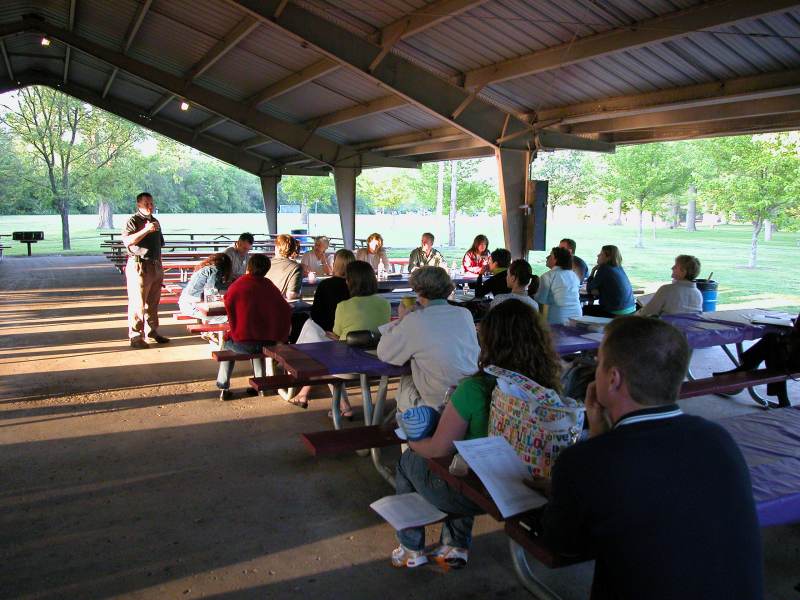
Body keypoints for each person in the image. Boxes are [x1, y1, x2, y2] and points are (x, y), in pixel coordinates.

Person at [529, 317, 763, 600]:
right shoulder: (718, 439)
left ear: (613, 379)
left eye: (599, 362)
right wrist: (601, 438)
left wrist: (577, 471)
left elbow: (561, 544)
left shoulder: (584, 462)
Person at [391, 299, 564, 569]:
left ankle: (411, 547)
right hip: (528, 487)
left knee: (410, 463)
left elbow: (438, 449)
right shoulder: (546, 386)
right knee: (465, 453)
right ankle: (454, 546)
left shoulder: (475, 388)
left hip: (475, 492)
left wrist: (412, 442)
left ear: (488, 341)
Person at [290, 259, 389, 412]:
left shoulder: (344, 306)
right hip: (377, 358)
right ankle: (306, 394)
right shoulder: (384, 304)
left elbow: (336, 335)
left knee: (315, 337)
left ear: (350, 282)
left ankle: (341, 405)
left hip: (349, 362)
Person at [378, 266, 479, 413]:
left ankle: (412, 429)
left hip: (440, 402)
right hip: (469, 395)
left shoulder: (414, 320)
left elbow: (384, 353)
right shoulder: (464, 314)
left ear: (419, 290)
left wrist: (402, 319)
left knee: (405, 383)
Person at [216, 254, 292, 400]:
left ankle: (223, 387)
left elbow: (228, 301)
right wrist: (280, 336)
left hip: (242, 343)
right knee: (258, 341)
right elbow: (285, 309)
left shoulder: (238, 284)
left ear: (248, 267)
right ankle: (260, 386)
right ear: (266, 269)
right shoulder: (269, 285)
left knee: (226, 344)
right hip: (267, 342)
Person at [122, 192, 169, 349]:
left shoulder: (155, 221)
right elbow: (127, 241)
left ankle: (152, 331)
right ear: (138, 205)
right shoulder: (132, 221)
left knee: (153, 302)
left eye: (151, 203)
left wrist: (160, 266)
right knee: (138, 303)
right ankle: (135, 335)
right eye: (146, 203)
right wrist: (146, 230)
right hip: (140, 265)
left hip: (155, 265)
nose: (150, 206)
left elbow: (159, 245)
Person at [637, 255, 703, 316]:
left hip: (669, 327)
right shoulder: (698, 293)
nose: (672, 268)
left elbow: (648, 311)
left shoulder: (667, 289)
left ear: (683, 272)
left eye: (676, 266)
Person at [308, 249, 355, 332]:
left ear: (335, 264)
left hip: (327, 331)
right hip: (351, 331)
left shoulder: (325, 285)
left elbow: (315, 314)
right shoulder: (356, 286)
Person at [534, 246, 582, 325]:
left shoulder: (547, 276)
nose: (547, 257)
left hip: (558, 319)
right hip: (577, 316)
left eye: (550, 255)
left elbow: (540, 301)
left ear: (556, 260)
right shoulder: (573, 275)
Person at [585, 245, 636, 318]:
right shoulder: (618, 267)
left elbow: (589, 288)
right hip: (631, 309)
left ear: (608, 257)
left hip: (616, 312)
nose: (598, 255)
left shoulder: (604, 268)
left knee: (585, 310)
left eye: (601, 254)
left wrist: (592, 272)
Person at [178, 253, 232, 318]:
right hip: (192, 307)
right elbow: (210, 291)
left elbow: (216, 287)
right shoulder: (214, 270)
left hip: (184, 303)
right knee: (228, 316)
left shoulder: (205, 268)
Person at [266, 234, 302, 300]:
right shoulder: (295, 267)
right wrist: (300, 295)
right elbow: (291, 295)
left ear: (276, 247)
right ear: (293, 249)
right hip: (279, 306)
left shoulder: (265, 264)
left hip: (261, 305)